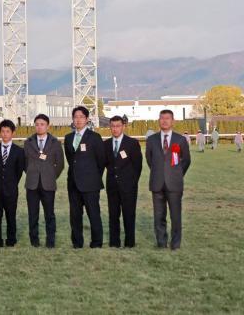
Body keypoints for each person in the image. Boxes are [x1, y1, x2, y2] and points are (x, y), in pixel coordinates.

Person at [146, 109, 192, 250]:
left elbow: (186, 161)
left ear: (173, 121)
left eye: (167, 118)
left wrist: (176, 174)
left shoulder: (180, 140)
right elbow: (150, 160)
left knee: (175, 216)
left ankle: (175, 244)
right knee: (159, 216)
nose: (164, 121)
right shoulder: (151, 140)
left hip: (174, 184)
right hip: (157, 183)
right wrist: (159, 173)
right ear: (158, 120)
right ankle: (161, 243)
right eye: (162, 118)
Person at [64, 106, 107, 249]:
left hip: (90, 183)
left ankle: (96, 242)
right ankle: (77, 242)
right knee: (75, 215)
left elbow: (101, 161)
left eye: (81, 116)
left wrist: (93, 176)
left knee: (93, 214)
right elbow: (71, 160)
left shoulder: (95, 137)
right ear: (72, 119)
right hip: (73, 183)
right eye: (76, 117)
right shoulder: (68, 138)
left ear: (87, 119)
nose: (78, 119)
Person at [24, 114, 64, 248]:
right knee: (33, 214)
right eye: (37, 124)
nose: (39, 127)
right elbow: (25, 163)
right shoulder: (28, 142)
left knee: (49, 215)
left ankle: (50, 241)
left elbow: (60, 164)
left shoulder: (55, 142)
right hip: (32, 184)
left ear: (48, 126)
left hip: (48, 184)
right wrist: (31, 174)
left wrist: (51, 176)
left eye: (42, 124)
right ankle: (34, 241)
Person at [104, 115, 143, 248]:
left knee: (129, 215)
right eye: (113, 126)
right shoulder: (106, 144)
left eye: (118, 126)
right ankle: (114, 243)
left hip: (128, 187)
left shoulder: (132, 143)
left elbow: (138, 166)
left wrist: (132, 183)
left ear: (123, 126)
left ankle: (129, 243)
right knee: (113, 216)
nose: (115, 129)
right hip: (112, 187)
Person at [0, 120, 25, 248]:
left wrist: (11, 183)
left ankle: (11, 239)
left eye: (8, 132)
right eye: (3, 131)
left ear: (13, 133)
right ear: (0, 133)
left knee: (11, 216)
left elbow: (19, 171)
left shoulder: (19, 151)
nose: (5, 134)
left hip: (11, 190)